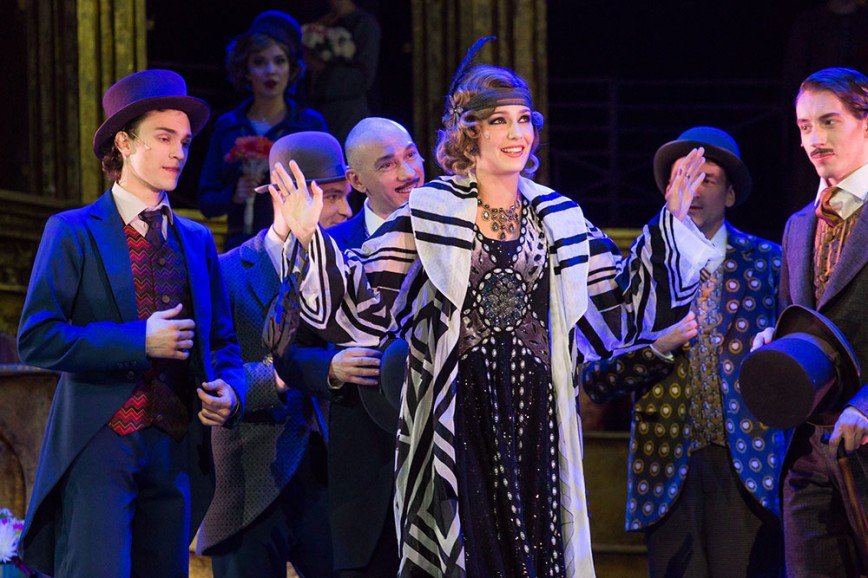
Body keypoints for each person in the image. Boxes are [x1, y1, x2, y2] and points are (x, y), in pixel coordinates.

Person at [267, 38, 720, 576]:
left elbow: (621, 307)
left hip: (538, 420)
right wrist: (309, 238)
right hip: (462, 418)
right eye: (500, 121)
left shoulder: (559, 216)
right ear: (469, 134)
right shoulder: (430, 212)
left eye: (523, 120)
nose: (516, 133)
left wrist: (671, 227)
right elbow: (364, 305)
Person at [16, 69, 245, 577]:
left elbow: (223, 341)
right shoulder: (73, 231)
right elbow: (37, 338)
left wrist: (231, 389)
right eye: (164, 138)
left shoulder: (196, 239)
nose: (178, 153)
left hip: (174, 446)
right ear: (124, 143)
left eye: (184, 141)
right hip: (100, 442)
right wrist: (138, 339)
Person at [582, 127, 787, 577]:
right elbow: (596, 379)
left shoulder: (770, 262)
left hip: (751, 466)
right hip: (667, 467)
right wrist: (656, 349)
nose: (692, 190)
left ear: (730, 194)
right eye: (683, 178)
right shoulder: (640, 270)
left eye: (706, 179)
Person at [197, 131, 351, 578]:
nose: (346, 210)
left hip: (328, 474)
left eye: (346, 196)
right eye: (332, 197)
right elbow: (213, 373)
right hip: (251, 476)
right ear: (285, 194)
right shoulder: (226, 273)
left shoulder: (345, 266)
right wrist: (285, 376)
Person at [275, 117, 424, 577]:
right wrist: (331, 367)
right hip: (364, 479)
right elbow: (286, 352)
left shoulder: (453, 237)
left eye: (411, 155)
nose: (408, 172)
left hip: (445, 475)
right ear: (357, 181)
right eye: (388, 164)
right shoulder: (326, 245)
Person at [753, 66, 868, 577]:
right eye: (804, 127)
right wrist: (777, 342)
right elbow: (801, 318)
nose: (815, 139)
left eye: (829, 122)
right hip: (808, 448)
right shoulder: (799, 225)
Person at [199, 10, 327, 251]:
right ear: (246, 70)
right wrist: (234, 193)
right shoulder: (229, 126)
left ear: (292, 68)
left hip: (296, 247)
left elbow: (330, 191)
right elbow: (207, 200)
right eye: (259, 62)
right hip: (243, 248)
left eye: (279, 61)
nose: (270, 71)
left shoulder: (308, 125)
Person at [305, 0, 381, 144]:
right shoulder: (324, 21)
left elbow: (363, 77)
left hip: (346, 115)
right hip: (317, 110)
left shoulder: (363, 24)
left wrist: (321, 68)